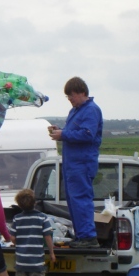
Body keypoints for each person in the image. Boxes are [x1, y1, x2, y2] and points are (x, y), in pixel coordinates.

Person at [49, 76, 103, 248]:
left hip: (82, 163)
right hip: (72, 164)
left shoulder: (91, 110)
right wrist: (60, 131)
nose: (70, 99)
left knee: (81, 199)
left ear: (82, 93)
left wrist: (63, 135)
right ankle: (81, 235)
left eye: (71, 95)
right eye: (67, 97)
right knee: (73, 201)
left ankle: (89, 237)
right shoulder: (75, 111)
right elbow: (74, 132)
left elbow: (88, 134)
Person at [9, 189, 56, 276]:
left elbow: (12, 237)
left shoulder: (17, 218)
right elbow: (48, 237)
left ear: (19, 204)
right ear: (34, 202)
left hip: (21, 261)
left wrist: (18, 243)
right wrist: (51, 253)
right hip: (36, 261)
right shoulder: (42, 217)